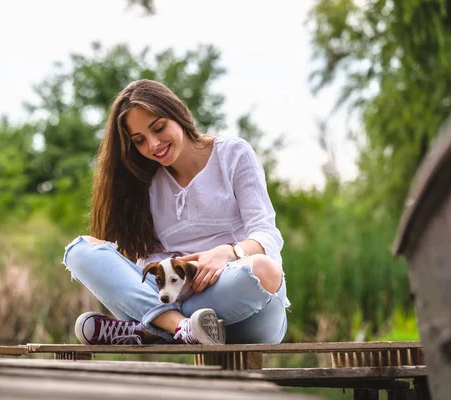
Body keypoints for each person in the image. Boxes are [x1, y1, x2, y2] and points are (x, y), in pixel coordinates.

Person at [63, 79, 290, 345]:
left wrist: (227, 253)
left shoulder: (233, 154)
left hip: (240, 301)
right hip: (172, 296)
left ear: (177, 113)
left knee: (265, 270)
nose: (153, 144)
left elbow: (267, 234)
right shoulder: (144, 182)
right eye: (139, 141)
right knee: (80, 250)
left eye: (158, 128)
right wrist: (176, 284)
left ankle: (150, 330)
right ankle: (182, 327)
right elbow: (148, 261)